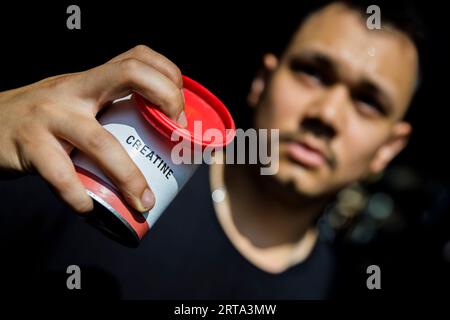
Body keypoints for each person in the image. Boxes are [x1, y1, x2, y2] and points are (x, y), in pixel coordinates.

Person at [0, 0, 423, 299]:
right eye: (312, 72)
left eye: (368, 102)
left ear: (389, 147)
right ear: (261, 82)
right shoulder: (102, 166)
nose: (327, 114)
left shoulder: (340, 287)